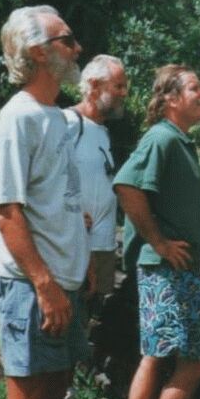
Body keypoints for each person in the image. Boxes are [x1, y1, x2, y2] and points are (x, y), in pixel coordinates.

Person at [0, 5, 90, 399]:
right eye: (67, 40)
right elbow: (6, 211)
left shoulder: (54, 117)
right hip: (32, 286)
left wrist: (71, 221)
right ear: (39, 52)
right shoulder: (18, 118)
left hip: (59, 283)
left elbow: (42, 196)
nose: (78, 48)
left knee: (53, 397)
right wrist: (45, 286)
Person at [113, 64, 200, 399]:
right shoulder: (163, 138)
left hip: (179, 269)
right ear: (171, 98)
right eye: (194, 89)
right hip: (168, 269)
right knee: (186, 361)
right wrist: (160, 243)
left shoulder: (177, 140)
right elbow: (127, 185)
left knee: (167, 357)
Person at [64, 54, 128, 301]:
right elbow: (47, 177)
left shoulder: (102, 132)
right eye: (118, 86)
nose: (124, 93)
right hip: (77, 246)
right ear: (93, 86)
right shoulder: (69, 123)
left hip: (102, 246)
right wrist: (68, 213)